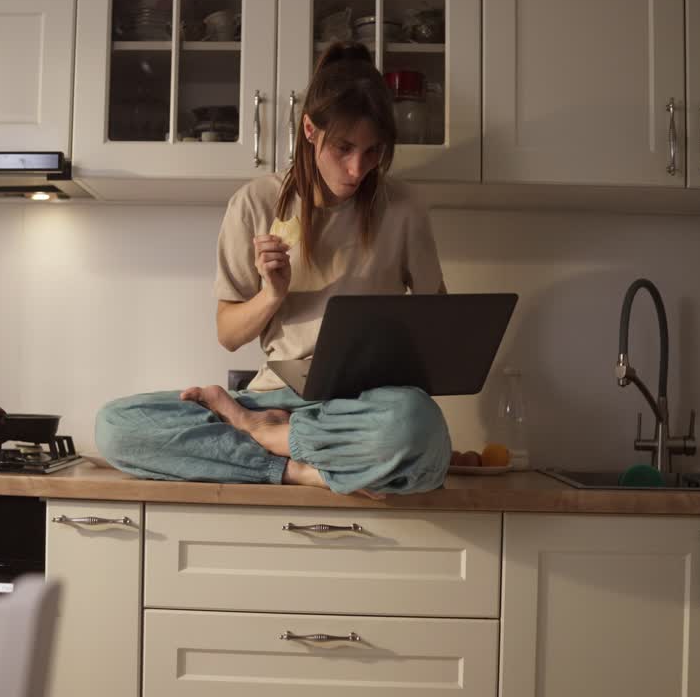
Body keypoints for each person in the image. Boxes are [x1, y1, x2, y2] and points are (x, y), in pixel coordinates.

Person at [95, 42, 450, 497]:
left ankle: (270, 440)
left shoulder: (405, 209)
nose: (358, 168)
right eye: (343, 147)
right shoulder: (255, 203)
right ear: (309, 129)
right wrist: (271, 295)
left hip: (365, 409)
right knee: (116, 427)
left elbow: (438, 331)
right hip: (277, 397)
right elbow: (228, 334)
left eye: (373, 151)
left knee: (417, 425)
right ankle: (295, 466)